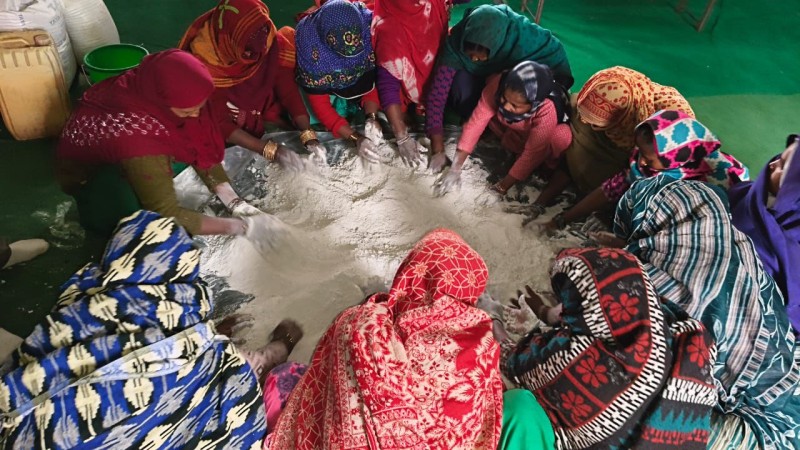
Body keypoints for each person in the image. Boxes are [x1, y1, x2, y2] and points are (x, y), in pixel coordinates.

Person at [0, 211, 303, 449]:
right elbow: (208, 365)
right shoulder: (195, 336)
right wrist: (212, 341)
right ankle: (270, 355)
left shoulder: (84, 307)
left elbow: (34, 362)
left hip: (22, 435)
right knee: (229, 379)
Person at [268, 229, 503, 449]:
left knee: (284, 375)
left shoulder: (362, 325)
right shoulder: (483, 346)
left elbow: (324, 378)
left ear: (410, 274)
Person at [611, 176, 800, 449]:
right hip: (776, 379)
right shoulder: (736, 245)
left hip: (756, 412)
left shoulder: (650, 283)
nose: (775, 165)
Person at [56, 50, 295, 241]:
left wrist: (233, 201)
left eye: (198, 107)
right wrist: (242, 228)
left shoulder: (159, 86)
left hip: (131, 148)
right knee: (130, 221)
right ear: (164, 102)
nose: (196, 114)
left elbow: (200, 136)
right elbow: (166, 213)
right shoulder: (139, 138)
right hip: (94, 174)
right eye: (187, 111)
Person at [492, 247, 716, 449]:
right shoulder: (678, 337)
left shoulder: (589, 367)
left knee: (519, 408)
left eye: (569, 301)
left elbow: (516, 363)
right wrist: (548, 315)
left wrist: (494, 322)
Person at [524, 66, 694, 224]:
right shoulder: (603, 90)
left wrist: (563, 220)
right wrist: (540, 205)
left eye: (596, 124)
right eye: (586, 119)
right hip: (621, 136)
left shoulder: (670, 132)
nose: (587, 124)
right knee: (578, 140)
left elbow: (618, 184)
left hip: (637, 169)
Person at [541, 109, 749, 229]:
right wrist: (563, 218)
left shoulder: (714, 183)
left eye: (648, 160)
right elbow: (612, 188)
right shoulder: (655, 158)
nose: (639, 162)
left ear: (674, 159)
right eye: (638, 151)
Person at [180, 0, 327, 163]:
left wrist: (307, 133)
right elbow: (219, 121)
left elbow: (287, 88)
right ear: (231, 42)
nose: (255, 58)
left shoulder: (265, 39)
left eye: (261, 52)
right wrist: (270, 150)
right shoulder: (206, 66)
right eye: (248, 53)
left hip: (260, 107)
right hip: (230, 118)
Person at [426, 4, 572, 166]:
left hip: (525, 82)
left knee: (532, 126)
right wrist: (438, 149)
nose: (474, 60)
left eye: (480, 57)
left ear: (496, 47)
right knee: (464, 90)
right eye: (470, 55)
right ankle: (494, 125)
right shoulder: (456, 42)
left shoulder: (526, 42)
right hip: (497, 82)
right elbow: (438, 95)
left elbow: (540, 87)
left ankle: (508, 128)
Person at [432, 61, 571, 196]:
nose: (506, 106)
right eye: (504, 99)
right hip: (512, 130)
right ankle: (509, 143)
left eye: (515, 105)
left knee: (561, 137)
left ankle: (546, 168)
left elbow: (533, 153)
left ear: (533, 105)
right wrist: (455, 169)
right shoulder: (500, 82)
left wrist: (503, 186)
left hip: (538, 140)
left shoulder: (547, 107)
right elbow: (475, 124)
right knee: (485, 111)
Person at [295, 0, 384, 164]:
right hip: (326, 81)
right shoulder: (311, 50)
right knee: (311, 116)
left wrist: (371, 117)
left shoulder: (368, 26)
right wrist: (355, 138)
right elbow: (320, 105)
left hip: (357, 81)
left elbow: (372, 79)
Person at [729, 133, 799, 335]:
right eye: (779, 157)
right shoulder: (751, 193)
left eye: (782, 166)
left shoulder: (791, 250)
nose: (772, 164)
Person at [372, 0, 453, 167]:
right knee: (391, 109)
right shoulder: (390, 24)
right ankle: (404, 109)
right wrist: (401, 136)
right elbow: (387, 84)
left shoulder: (434, 6)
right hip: (402, 81)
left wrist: (438, 148)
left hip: (433, 71)